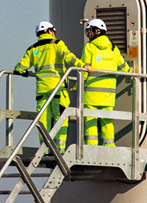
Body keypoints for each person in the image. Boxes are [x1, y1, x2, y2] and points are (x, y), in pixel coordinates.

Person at [12, 21, 77, 147]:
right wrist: (83, 65)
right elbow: (69, 57)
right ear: (49, 31)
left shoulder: (33, 49)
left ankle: (45, 150)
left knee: (43, 121)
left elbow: (19, 68)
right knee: (61, 118)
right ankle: (60, 148)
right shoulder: (57, 44)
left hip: (41, 91)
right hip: (57, 89)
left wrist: (24, 73)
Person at [76, 18, 134, 146]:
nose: (88, 34)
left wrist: (76, 86)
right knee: (107, 121)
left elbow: (84, 69)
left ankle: (91, 147)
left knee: (90, 120)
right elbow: (123, 67)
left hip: (91, 94)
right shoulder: (113, 49)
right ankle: (109, 145)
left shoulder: (89, 47)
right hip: (108, 94)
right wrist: (131, 71)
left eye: (89, 31)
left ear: (96, 31)